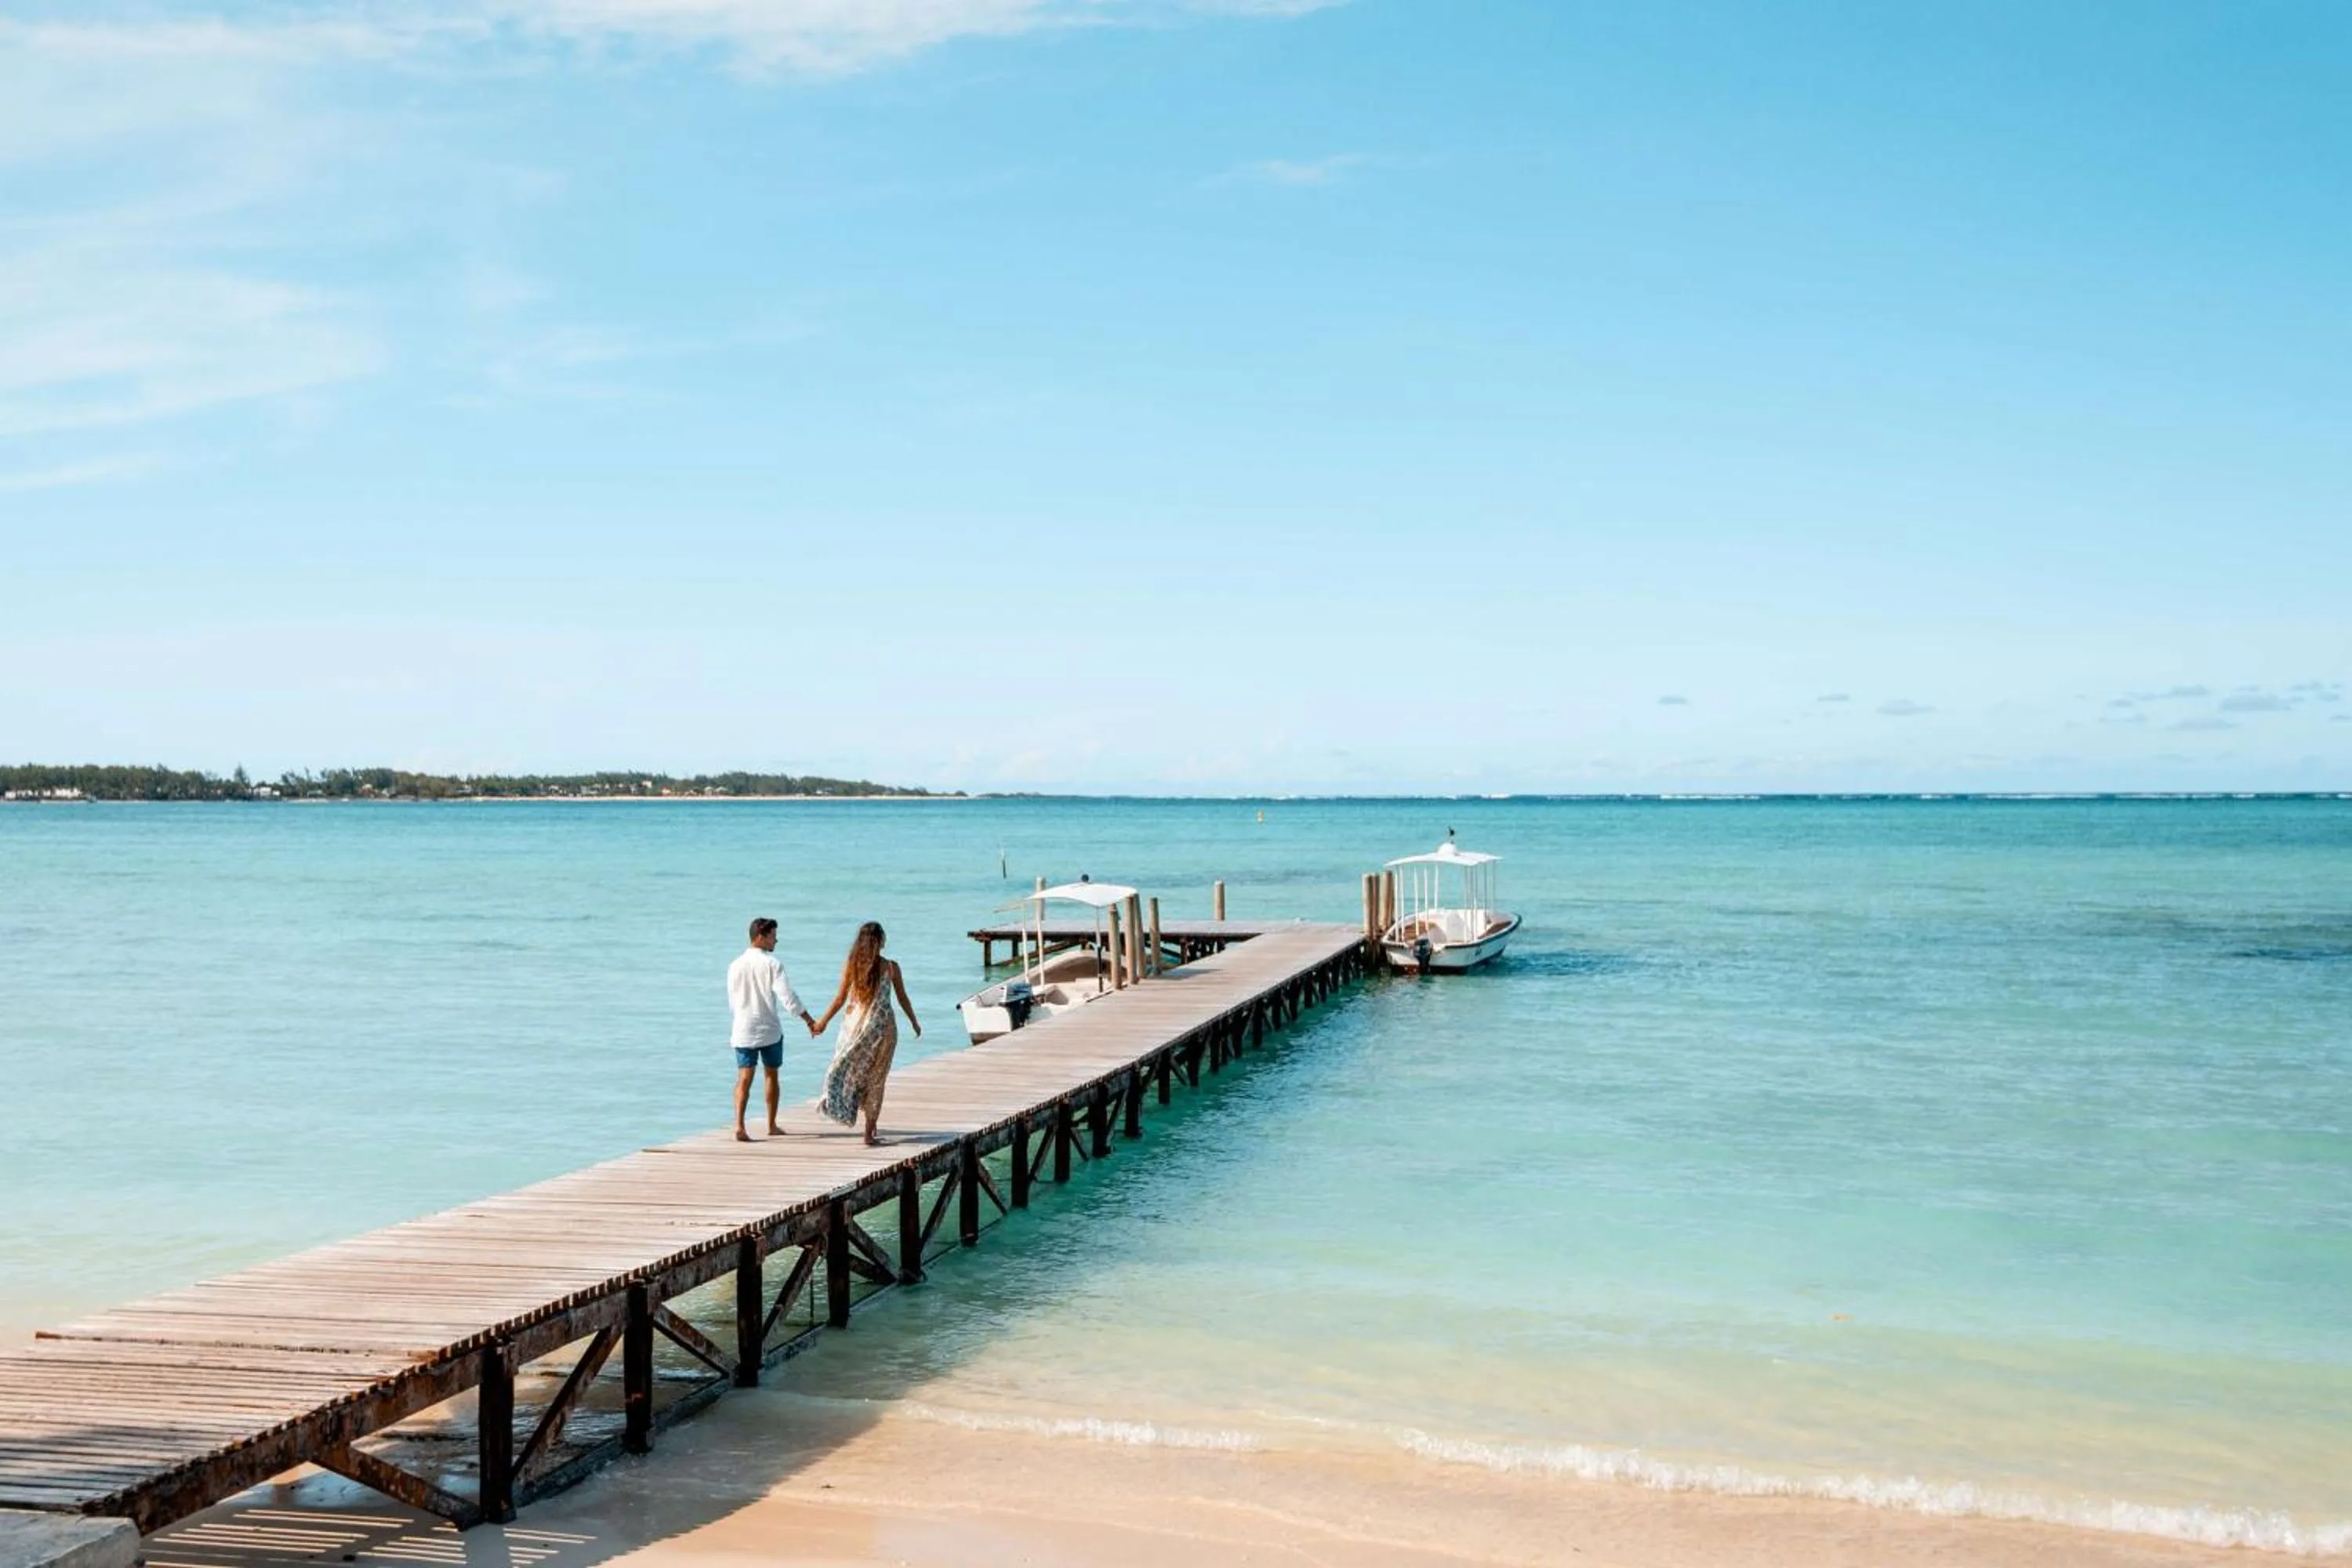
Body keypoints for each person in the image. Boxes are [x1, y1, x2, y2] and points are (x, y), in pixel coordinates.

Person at [811, 920, 920, 1146]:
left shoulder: (852, 965)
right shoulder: (891, 967)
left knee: (852, 1069)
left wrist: (822, 1022)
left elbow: (840, 1000)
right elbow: (902, 998)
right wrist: (914, 1022)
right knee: (877, 1079)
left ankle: (852, 1112)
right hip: (884, 1031)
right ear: (880, 942)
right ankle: (869, 1133)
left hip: (857, 1030)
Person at [728, 916, 817, 1142]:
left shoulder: (735, 965)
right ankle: (771, 1124)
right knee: (771, 1075)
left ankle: (739, 1125)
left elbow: (733, 1000)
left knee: (744, 1077)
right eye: (773, 936)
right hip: (769, 1029)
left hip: (743, 1028)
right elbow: (788, 997)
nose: (776, 940)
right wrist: (808, 1020)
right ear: (761, 937)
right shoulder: (772, 964)